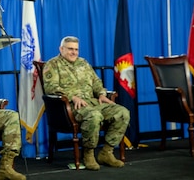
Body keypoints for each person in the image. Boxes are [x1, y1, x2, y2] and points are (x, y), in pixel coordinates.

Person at [42, 36, 130, 171]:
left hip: (92, 102)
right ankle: (88, 154)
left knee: (122, 112)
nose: (74, 52)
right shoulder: (52, 65)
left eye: (76, 49)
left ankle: (106, 152)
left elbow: (96, 81)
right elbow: (51, 88)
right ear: (61, 49)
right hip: (69, 107)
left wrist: (101, 93)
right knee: (93, 116)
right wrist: (72, 97)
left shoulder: (83, 63)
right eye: (70, 49)